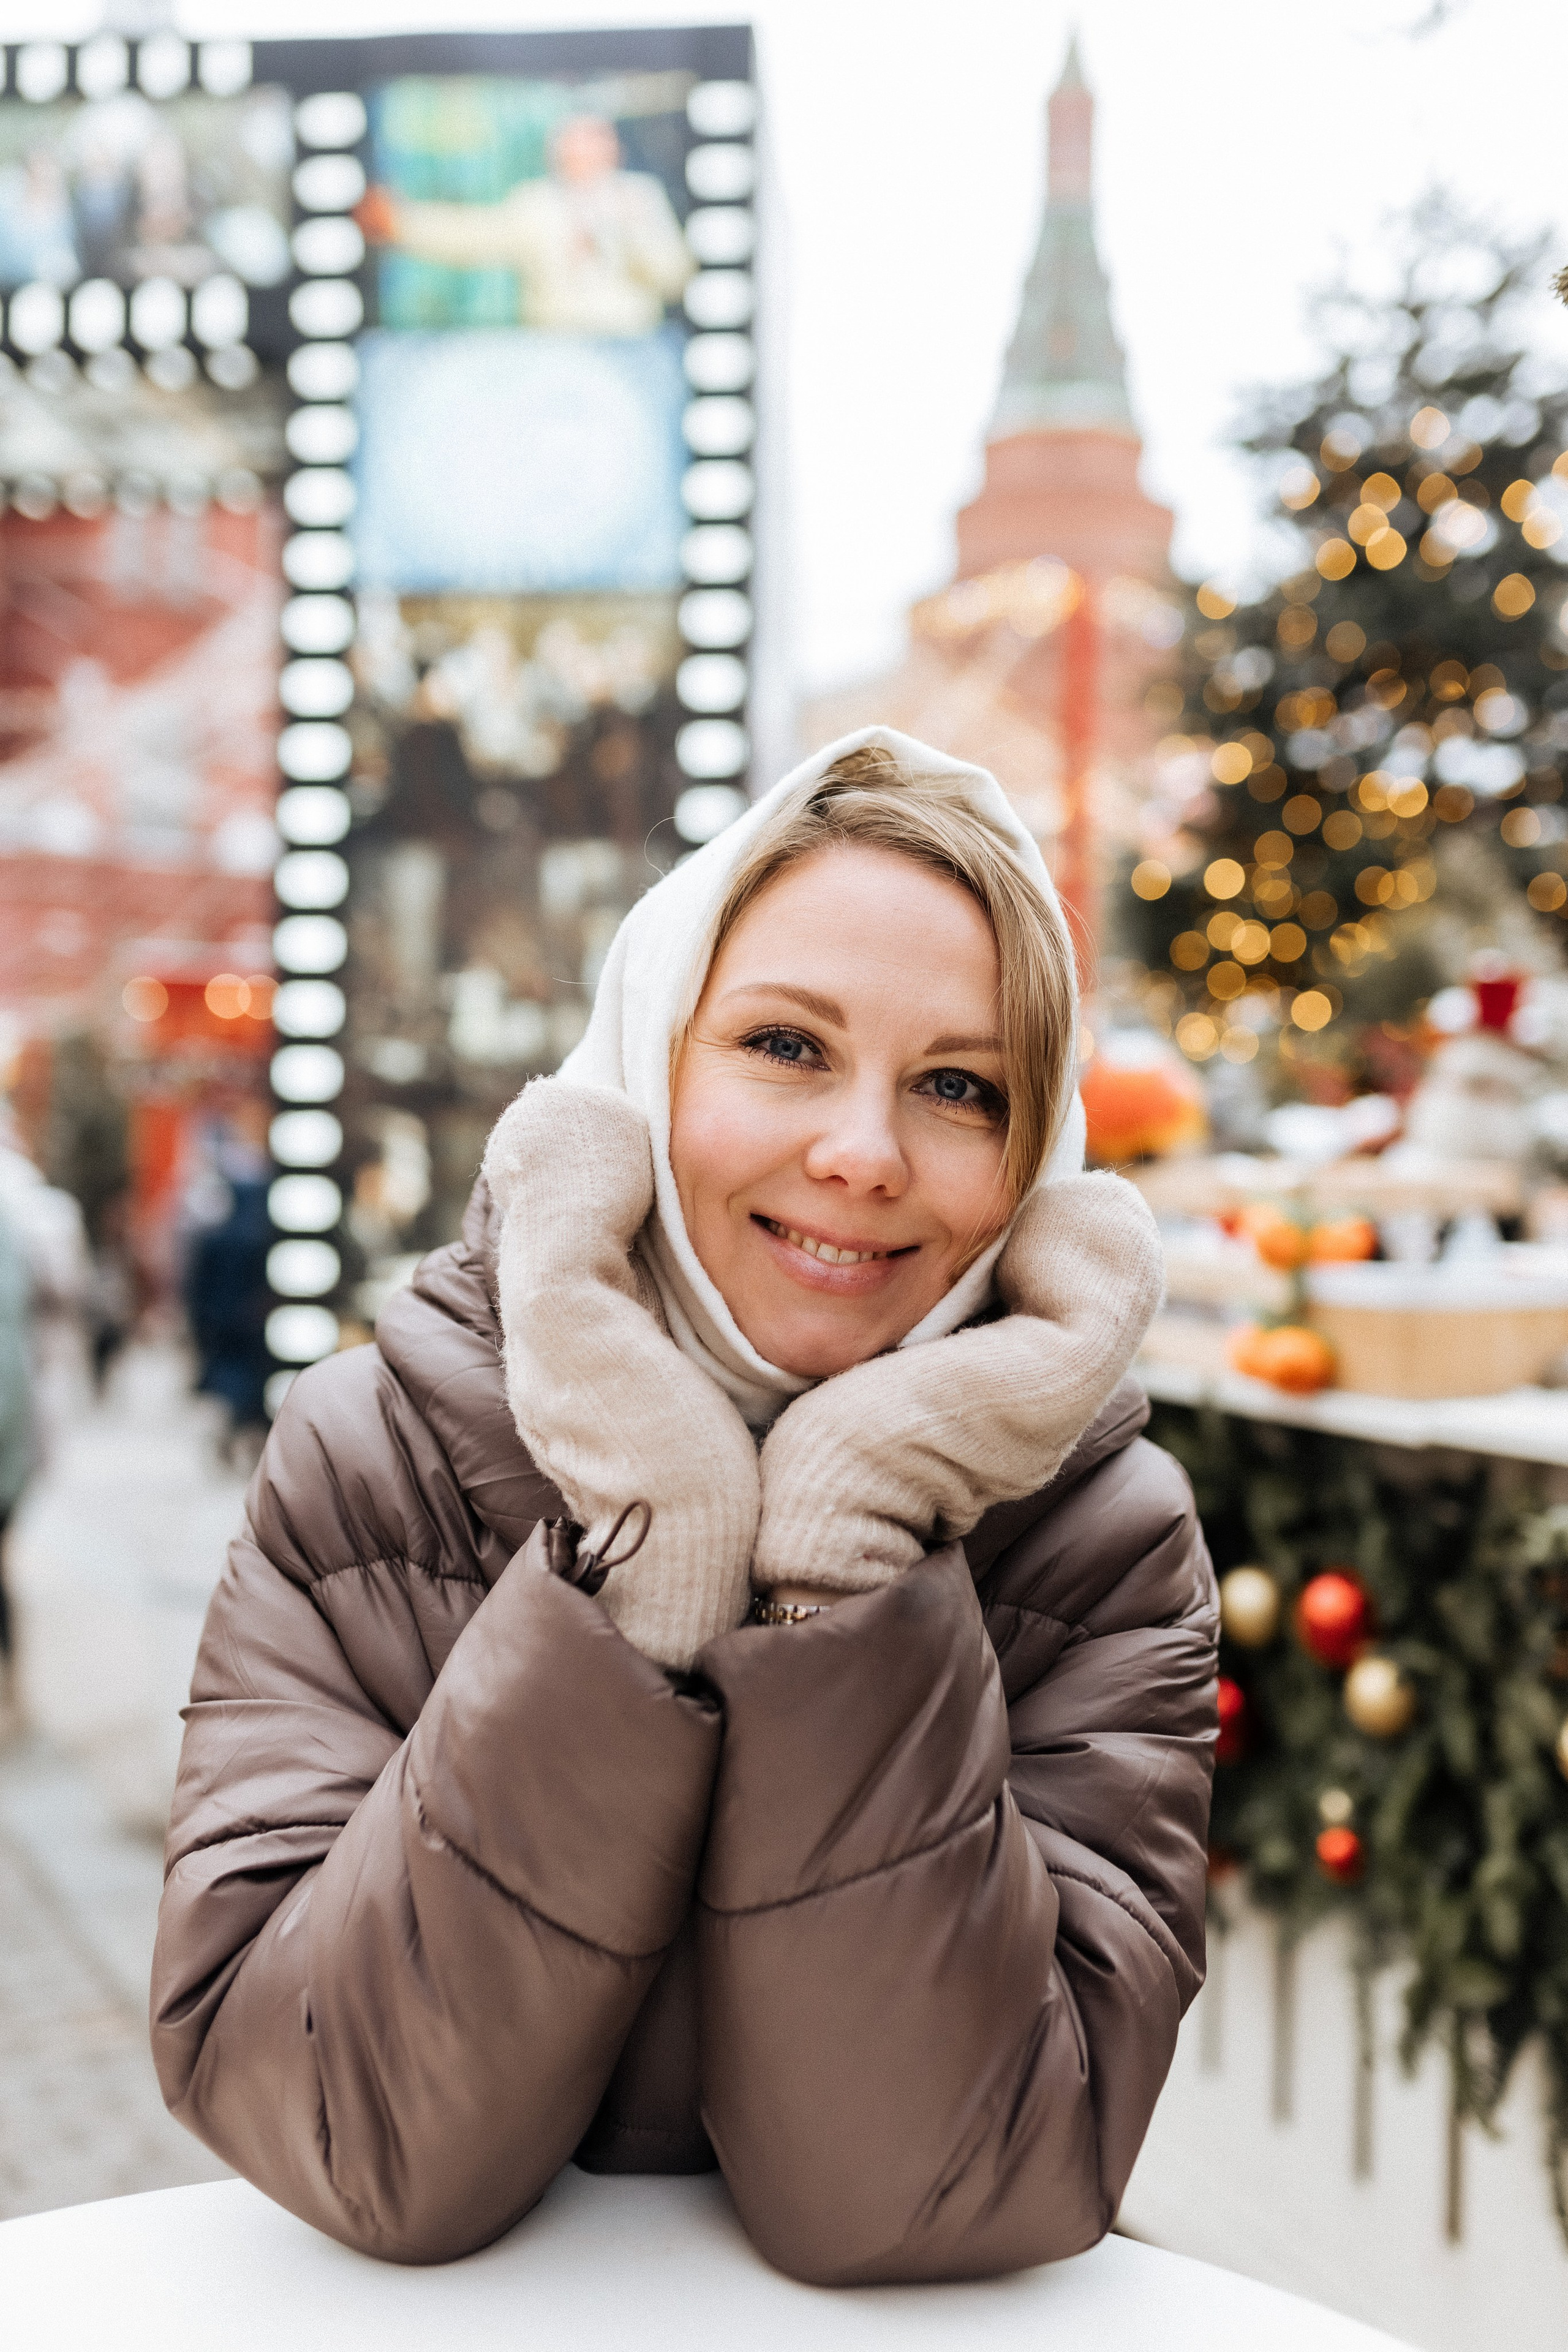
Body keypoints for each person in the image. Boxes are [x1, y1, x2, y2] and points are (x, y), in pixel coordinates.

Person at [151, 728, 1216, 2284]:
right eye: (785, 1044)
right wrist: (643, 1552)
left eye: (955, 1085)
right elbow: (341, 2123)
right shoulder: (366, 1452)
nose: (860, 1153)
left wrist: (852, 1548)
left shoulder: (1102, 1539)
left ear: (1031, 1168)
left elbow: (946, 2185)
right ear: (649, 1063)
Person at [356, 113, 695, 336]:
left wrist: (635, 229)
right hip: (552, 353)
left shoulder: (640, 196)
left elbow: (674, 278)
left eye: (592, 142)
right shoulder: (536, 204)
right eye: (571, 143)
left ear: (613, 150)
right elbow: (473, 236)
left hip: (629, 353)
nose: (581, 153)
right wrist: (400, 223)